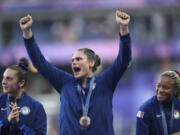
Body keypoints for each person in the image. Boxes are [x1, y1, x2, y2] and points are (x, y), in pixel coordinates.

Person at [19, 10, 131, 135]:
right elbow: (40, 63)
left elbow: (123, 60)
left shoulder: (105, 82)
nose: (74, 63)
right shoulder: (64, 82)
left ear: (91, 62)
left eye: (79, 59)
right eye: (72, 60)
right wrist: (27, 34)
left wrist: (124, 29)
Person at [0, 58, 47, 135]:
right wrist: (7, 121)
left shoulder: (36, 107)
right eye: (3, 78)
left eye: (8, 79)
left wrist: (20, 124)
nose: (3, 82)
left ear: (21, 83)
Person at [136, 70, 180, 135]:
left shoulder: (178, 105)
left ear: (175, 90)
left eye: (166, 87)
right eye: (158, 86)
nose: (160, 90)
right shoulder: (144, 110)